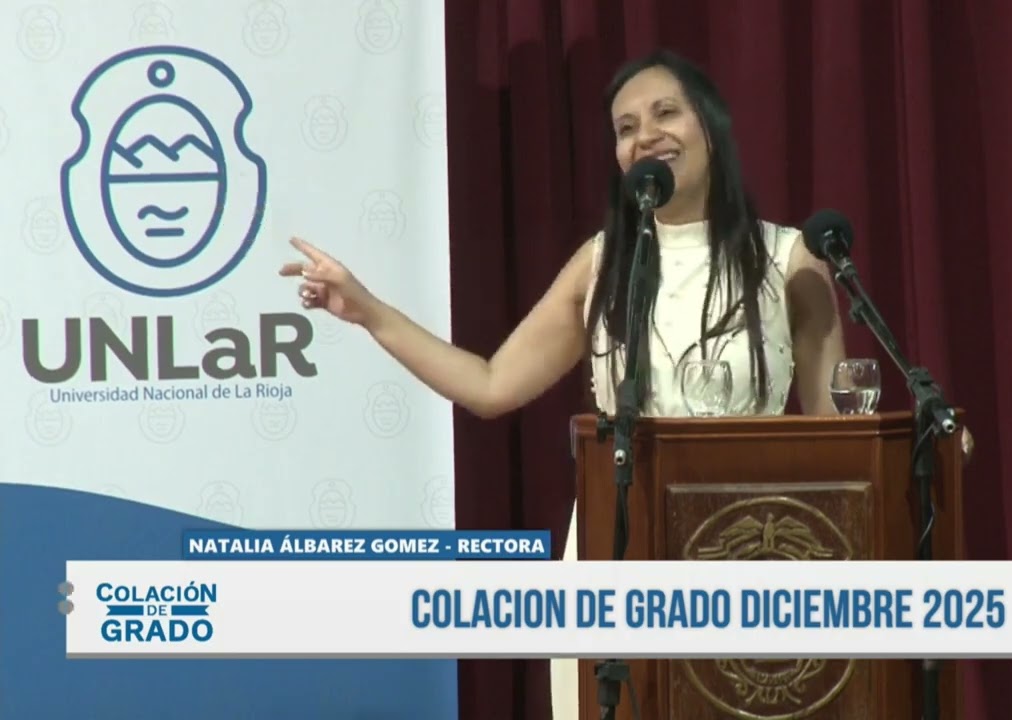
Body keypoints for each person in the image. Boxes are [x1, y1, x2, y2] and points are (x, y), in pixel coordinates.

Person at [281, 48, 972, 720]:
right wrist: (368, 311)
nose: (646, 136)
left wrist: (922, 448)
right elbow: (490, 384)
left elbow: (833, 436)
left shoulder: (788, 257)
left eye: (666, 113)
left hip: (750, 555)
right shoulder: (603, 263)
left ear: (709, 129)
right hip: (618, 557)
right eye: (625, 127)